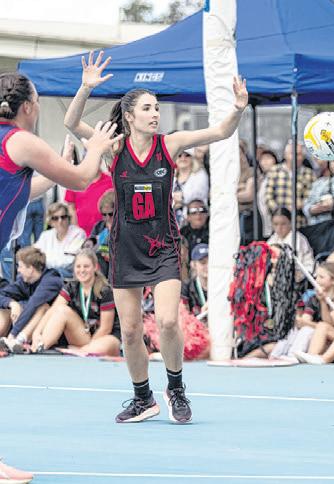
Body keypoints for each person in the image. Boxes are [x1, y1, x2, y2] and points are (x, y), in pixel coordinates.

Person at [63, 50, 249, 424]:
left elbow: (220, 132)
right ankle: (142, 398)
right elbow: (71, 122)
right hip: (125, 248)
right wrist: (85, 88)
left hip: (163, 246)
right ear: (129, 116)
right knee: (131, 332)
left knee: (166, 321)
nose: (155, 114)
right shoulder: (114, 148)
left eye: (157, 108)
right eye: (147, 108)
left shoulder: (171, 144)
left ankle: (176, 389)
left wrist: (238, 108)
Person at [0, 71, 120, 253]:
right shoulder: (20, 140)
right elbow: (81, 180)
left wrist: (58, 172)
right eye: (37, 101)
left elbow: (20, 191)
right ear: (27, 107)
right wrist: (96, 148)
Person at [31, 249, 121, 356]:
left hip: (103, 338)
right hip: (83, 335)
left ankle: (82, 351)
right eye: (78, 266)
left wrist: (88, 347)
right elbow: (53, 309)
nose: (82, 270)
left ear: (95, 267)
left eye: (86, 266)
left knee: (108, 343)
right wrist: (36, 332)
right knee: (61, 310)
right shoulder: (71, 287)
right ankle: (40, 347)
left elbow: (105, 328)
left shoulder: (105, 290)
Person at [0, 247, 63, 353]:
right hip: (31, 327)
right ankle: (12, 341)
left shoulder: (51, 280)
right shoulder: (25, 281)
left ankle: (16, 340)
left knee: (42, 307)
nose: (18, 270)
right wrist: (12, 304)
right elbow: (2, 294)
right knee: (7, 309)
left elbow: (33, 305)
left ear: (31, 269)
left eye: (20, 266)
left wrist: (13, 334)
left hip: (53, 330)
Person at [33, 202, 86, 277]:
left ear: (68, 218)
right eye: (55, 218)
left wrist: (44, 262)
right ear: (50, 222)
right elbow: (34, 254)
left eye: (63, 217)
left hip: (69, 273)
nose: (60, 221)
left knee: (49, 274)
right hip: (47, 271)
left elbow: (70, 261)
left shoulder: (78, 234)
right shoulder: (46, 235)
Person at [267, 208, 315, 281]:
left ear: (290, 223)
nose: (279, 228)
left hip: (302, 274)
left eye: (283, 224)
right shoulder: (273, 238)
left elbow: (294, 265)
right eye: (275, 224)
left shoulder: (297, 238)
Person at [181, 243, 208, 317]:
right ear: (193, 265)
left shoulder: (220, 286)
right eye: (203, 262)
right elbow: (184, 316)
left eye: (211, 262)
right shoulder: (186, 287)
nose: (208, 266)